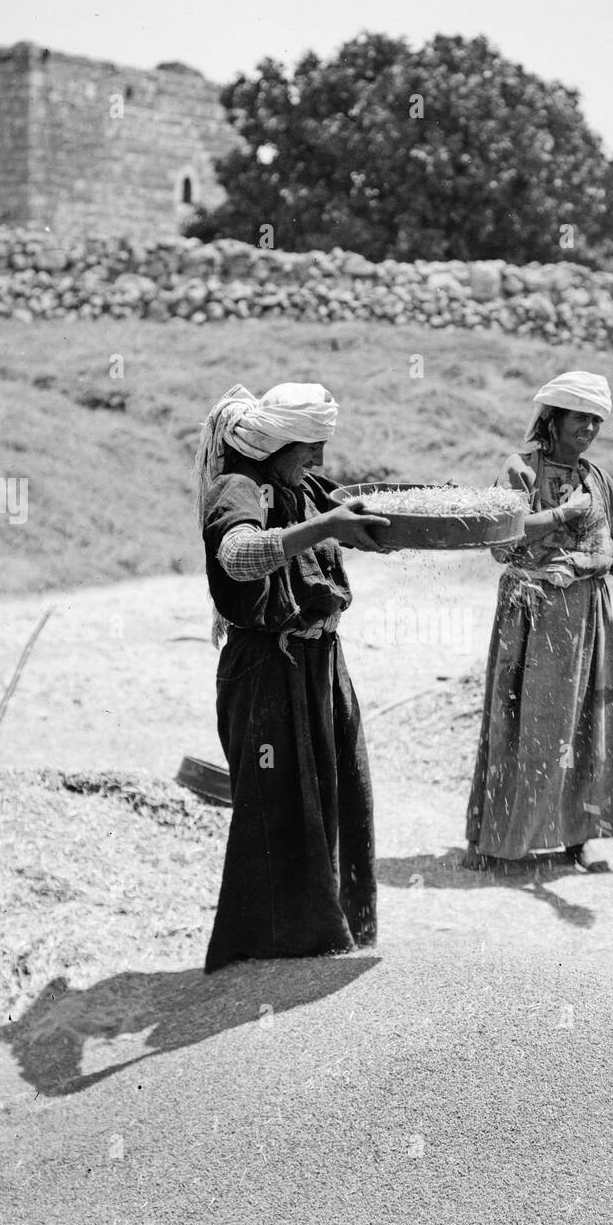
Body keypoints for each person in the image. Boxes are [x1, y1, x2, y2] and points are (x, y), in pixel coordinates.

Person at [193, 382, 390, 972]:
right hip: (266, 671)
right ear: (276, 441)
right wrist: (325, 528)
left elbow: (351, 510)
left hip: (321, 662)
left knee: (337, 789)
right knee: (276, 803)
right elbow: (239, 556)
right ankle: (266, 943)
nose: (320, 462)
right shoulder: (237, 488)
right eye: (310, 447)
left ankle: (324, 930)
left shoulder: (298, 484)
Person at [463, 370, 613, 873]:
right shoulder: (520, 470)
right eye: (579, 418)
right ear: (552, 418)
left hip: (587, 616)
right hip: (533, 612)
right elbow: (500, 540)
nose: (589, 428)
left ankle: (577, 835)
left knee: (585, 723)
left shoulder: (599, 479)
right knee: (525, 722)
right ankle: (498, 841)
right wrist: (561, 515)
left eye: (596, 420)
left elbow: (609, 548)